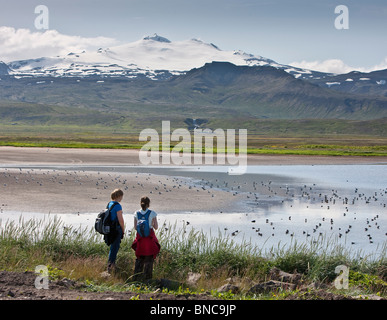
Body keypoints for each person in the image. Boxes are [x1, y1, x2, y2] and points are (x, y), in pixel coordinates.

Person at [131, 196, 160, 281]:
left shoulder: (136, 213)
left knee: (140, 257)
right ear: (149, 204)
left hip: (140, 238)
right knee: (149, 257)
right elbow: (156, 227)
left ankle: (136, 278)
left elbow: (135, 227)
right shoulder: (152, 213)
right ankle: (148, 279)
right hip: (149, 238)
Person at [106, 189, 125, 273]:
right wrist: (123, 230)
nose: (122, 198)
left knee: (112, 248)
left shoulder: (109, 204)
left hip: (109, 229)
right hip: (116, 229)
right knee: (114, 248)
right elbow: (120, 219)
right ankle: (111, 267)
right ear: (119, 196)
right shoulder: (118, 206)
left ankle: (110, 265)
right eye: (121, 196)